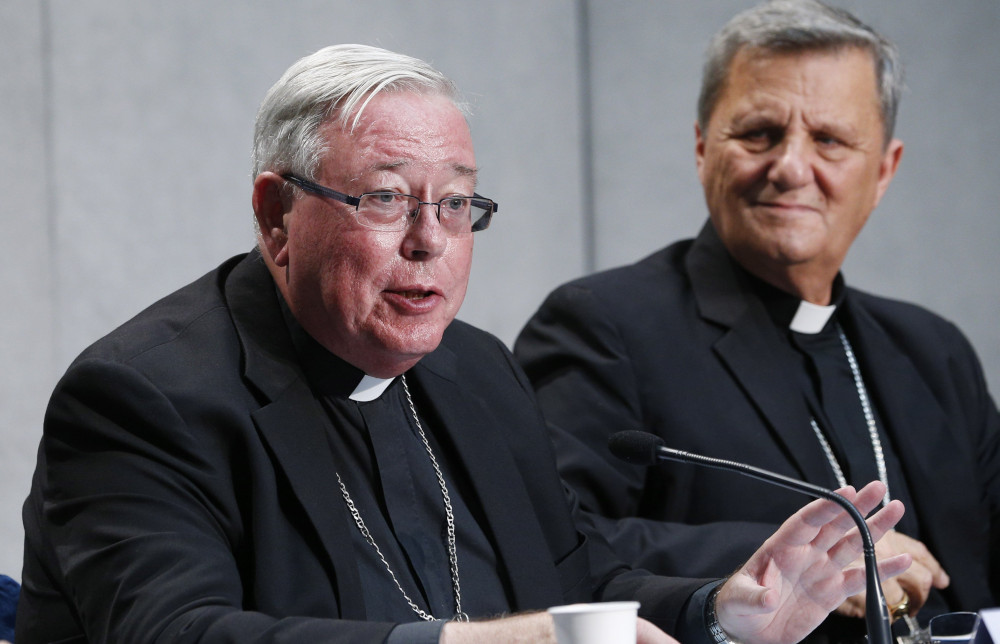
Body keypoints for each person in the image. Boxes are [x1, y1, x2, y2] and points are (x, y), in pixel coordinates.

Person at [18, 43, 907, 644]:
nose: (428, 240)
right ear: (276, 213)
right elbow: (179, 634)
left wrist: (721, 612)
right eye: (385, 198)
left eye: (455, 204)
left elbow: (573, 581)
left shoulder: (472, 369)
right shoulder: (142, 396)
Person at [515, 0, 999, 640]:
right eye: (759, 134)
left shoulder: (933, 352)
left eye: (829, 139)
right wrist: (802, 560)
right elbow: (546, 540)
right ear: (700, 147)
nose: (791, 167)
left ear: (883, 170)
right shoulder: (607, 326)